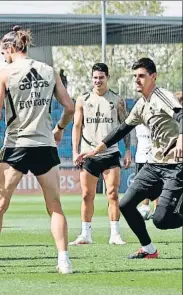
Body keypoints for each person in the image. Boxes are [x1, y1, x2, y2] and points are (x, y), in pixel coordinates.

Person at [0, 25, 75, 274]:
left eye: (2, 52)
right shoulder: (49, 71)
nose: (2, 57)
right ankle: (64, 260)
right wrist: (59, 128)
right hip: (44, 144)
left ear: (9, 48)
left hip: (17, 145)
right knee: (54, 206)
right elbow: (70, 107)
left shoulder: (4, 73)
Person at [75, 58, 183, 259]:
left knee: (161, 220)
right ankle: (149, 249)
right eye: (135, 76)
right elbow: (122, 129)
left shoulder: (163, 96)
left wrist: (181, 139)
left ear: (153, 77)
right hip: (153, 165)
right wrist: (95, 150)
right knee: (125, 204)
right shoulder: (141, 104)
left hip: (175, 167)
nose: (137, 80)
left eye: (141, 76)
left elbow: (181, 115)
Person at [70, 63, 131, 246]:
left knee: (112, 193)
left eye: (101, 77)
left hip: (110, 153)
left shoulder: (117, 100)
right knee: (87, 195)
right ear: (91, 78)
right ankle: (85, 234)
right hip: (88, 154)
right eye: (95, 77)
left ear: (107, 78)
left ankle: (115, 234)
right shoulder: (82, 99)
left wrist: (127, 150)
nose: (98, 81)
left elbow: (125, 126)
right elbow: (77, 126)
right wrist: (75, 151)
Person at [135, 123, 158, 220]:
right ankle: (145, 207)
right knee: (143, 186)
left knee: (156, 185)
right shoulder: (136, 120)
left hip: (154, 157)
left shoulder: (155, 120)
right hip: (140, 158)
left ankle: (157, 210)